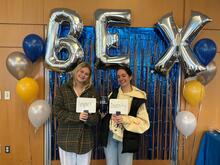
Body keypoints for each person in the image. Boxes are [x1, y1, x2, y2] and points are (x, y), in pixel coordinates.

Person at [100, 65, 150, 165]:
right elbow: (105, 114)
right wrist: (102, 113)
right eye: (118, 76)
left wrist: (125, 119)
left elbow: (144, 123)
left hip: (127, 137)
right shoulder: (113, 94)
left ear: (130, 77)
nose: (121, 79)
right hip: (111, 135)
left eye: (124, 75)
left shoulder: (138, 97)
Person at [53, 62, 100, 165]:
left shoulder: (92, 92)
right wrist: (77, 117)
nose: (83, 75)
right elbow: (57, 112)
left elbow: (97, 117)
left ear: (89, 77)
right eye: (81, 71)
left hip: (85, 140)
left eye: (86, 74)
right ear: (76, 71)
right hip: (66, 138)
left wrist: (88, 118)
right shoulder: (63, 90)